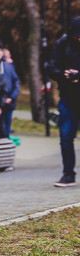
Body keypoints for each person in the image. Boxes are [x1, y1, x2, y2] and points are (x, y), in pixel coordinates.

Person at [47, 16, 80, 187]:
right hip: (68, 97)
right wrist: (65, 75)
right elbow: (51, 67)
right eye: (76, 36)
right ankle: (68, 174)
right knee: (66, 136)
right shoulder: (62, 44)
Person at [0, 41, 19, 137]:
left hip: (8, 102)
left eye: (0, 50)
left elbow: (16, 82)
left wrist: (12, 97)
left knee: (6, 129)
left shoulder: (9, 66)